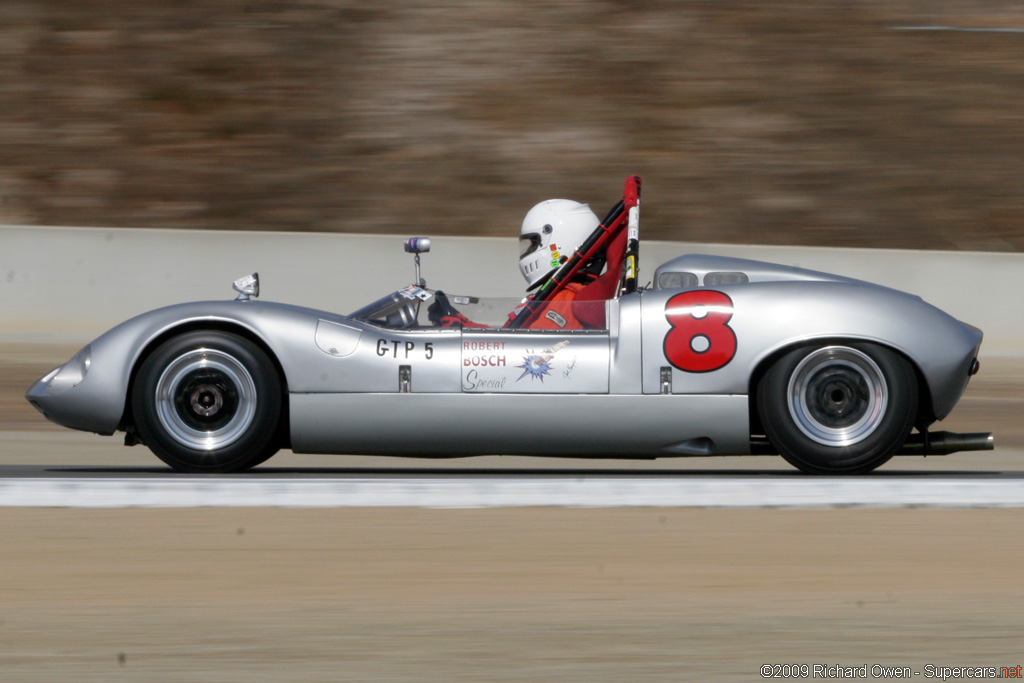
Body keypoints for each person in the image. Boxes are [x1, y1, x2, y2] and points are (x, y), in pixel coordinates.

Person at [430, 199, 625, 329]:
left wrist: (460, 330)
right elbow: (511, 340)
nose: (529, 251)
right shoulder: (563, 295)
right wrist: (462, 325)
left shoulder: (563, 301)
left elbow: (519, 351)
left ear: (561, 240)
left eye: (534, 243)